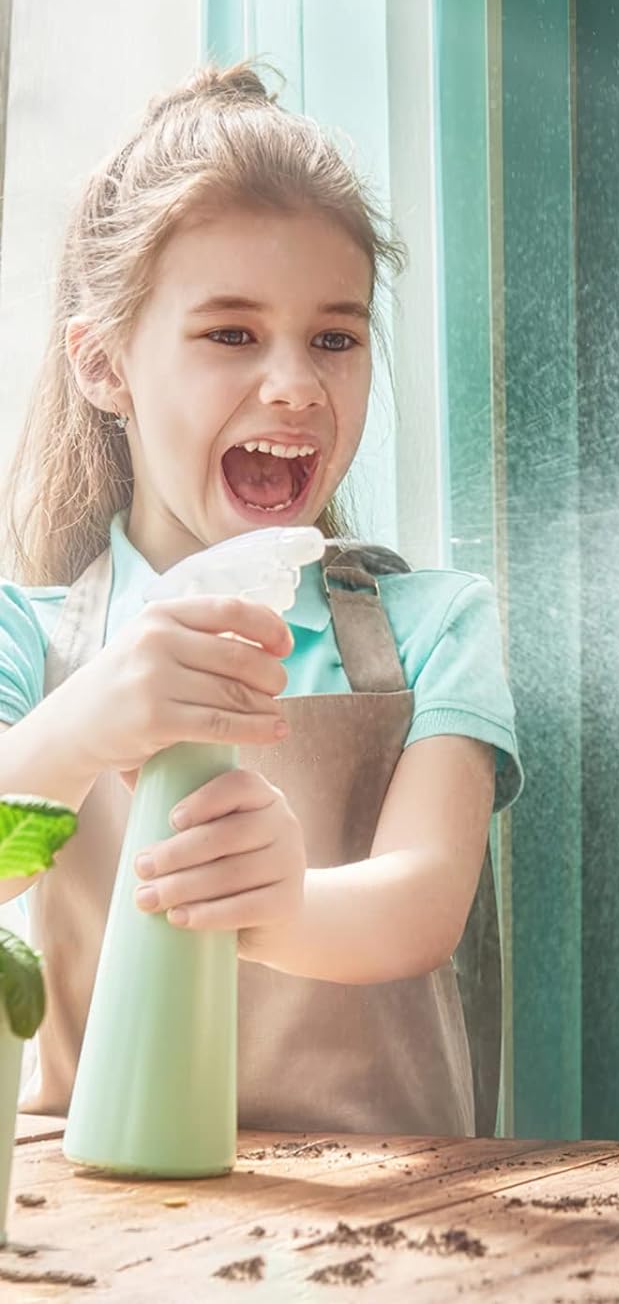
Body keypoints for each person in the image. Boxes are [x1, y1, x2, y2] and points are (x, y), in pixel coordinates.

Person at [0, 64, 522, 1137]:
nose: (296, 383)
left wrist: (281, 905)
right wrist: (94, 715)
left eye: (335, 337)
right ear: (104, 365)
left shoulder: (435, 627)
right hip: (99, 1241)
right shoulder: (30, 640)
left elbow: (426, 899)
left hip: (395, 1228)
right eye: (232, 335)